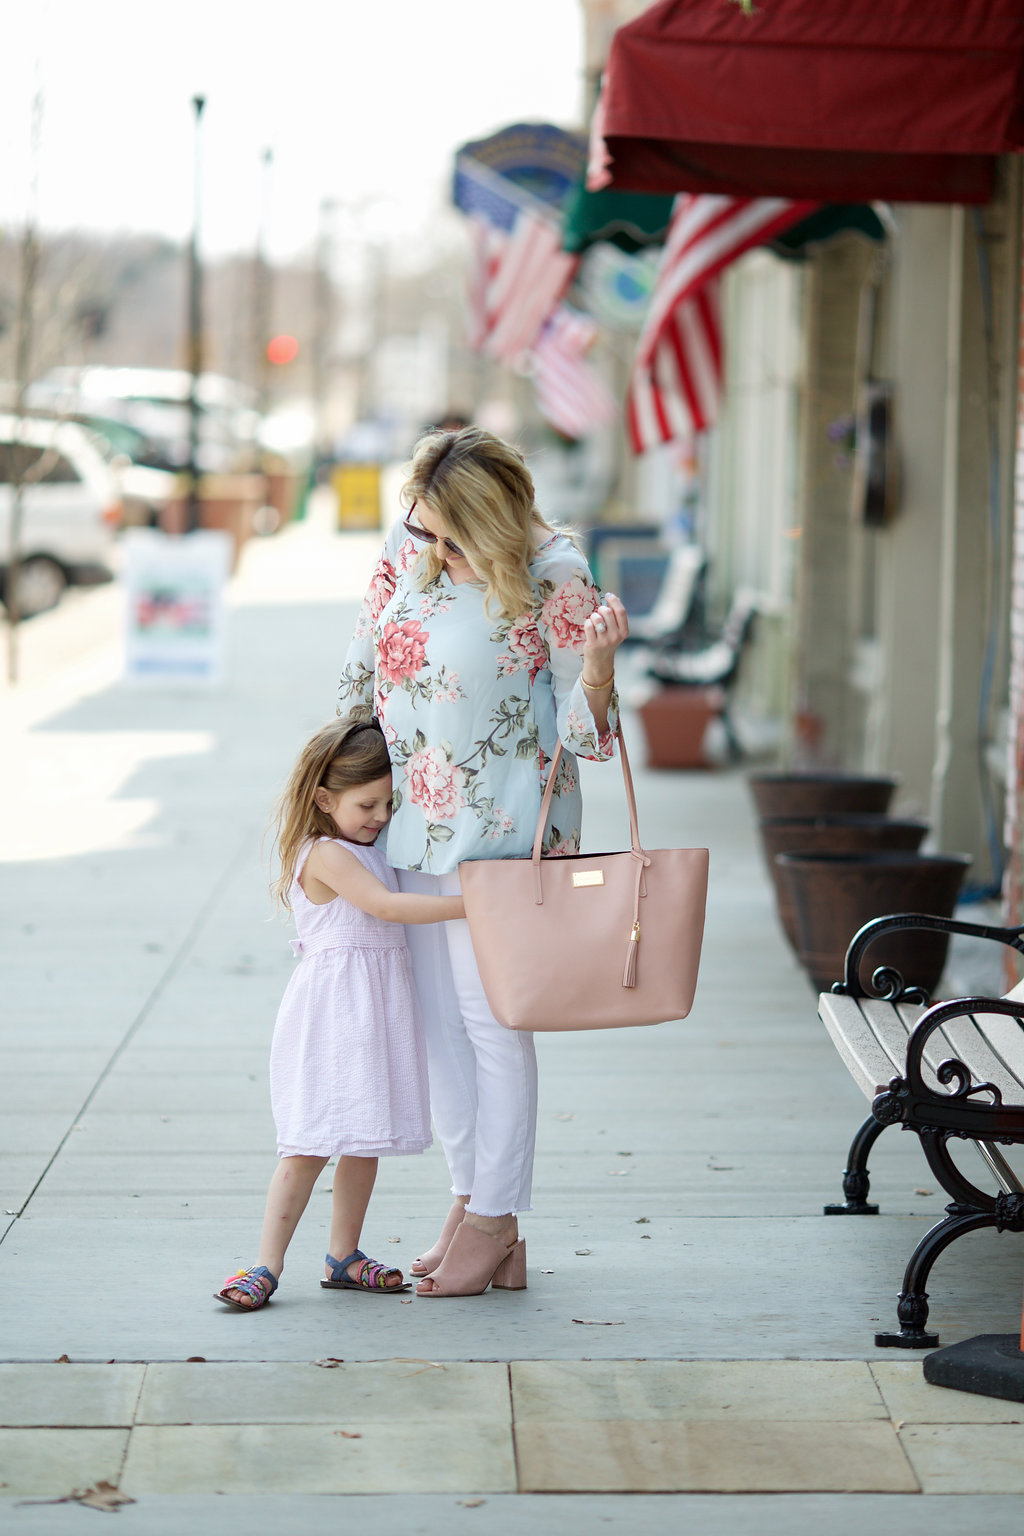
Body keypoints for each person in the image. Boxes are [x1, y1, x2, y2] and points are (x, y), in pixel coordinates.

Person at [337, 426, 629, 1298]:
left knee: (494, 1027)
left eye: (445, 533)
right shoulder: (412, 550)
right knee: (440, 1033)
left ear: (487, 522)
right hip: (408, 831)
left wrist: (603, 670)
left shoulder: (554, 576)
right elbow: (358, 675)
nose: (426, 546)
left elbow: (588, 741)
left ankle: (499, 1218)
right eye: (418, 528)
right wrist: (331, 797)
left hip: (503, 843)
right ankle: (470, 1207)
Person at [214, 716, 465, 1311]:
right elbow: (383, 906)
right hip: (333, 1013)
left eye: (388, 801)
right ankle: (266, 1263)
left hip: (376, 1011)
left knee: (363, 1139)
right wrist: (477, 905)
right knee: (308, 1142)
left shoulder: (371, 846)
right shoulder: (324, 853)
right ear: (325, 800)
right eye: (367, 803)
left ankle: (343, 1255)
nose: (380, 815)